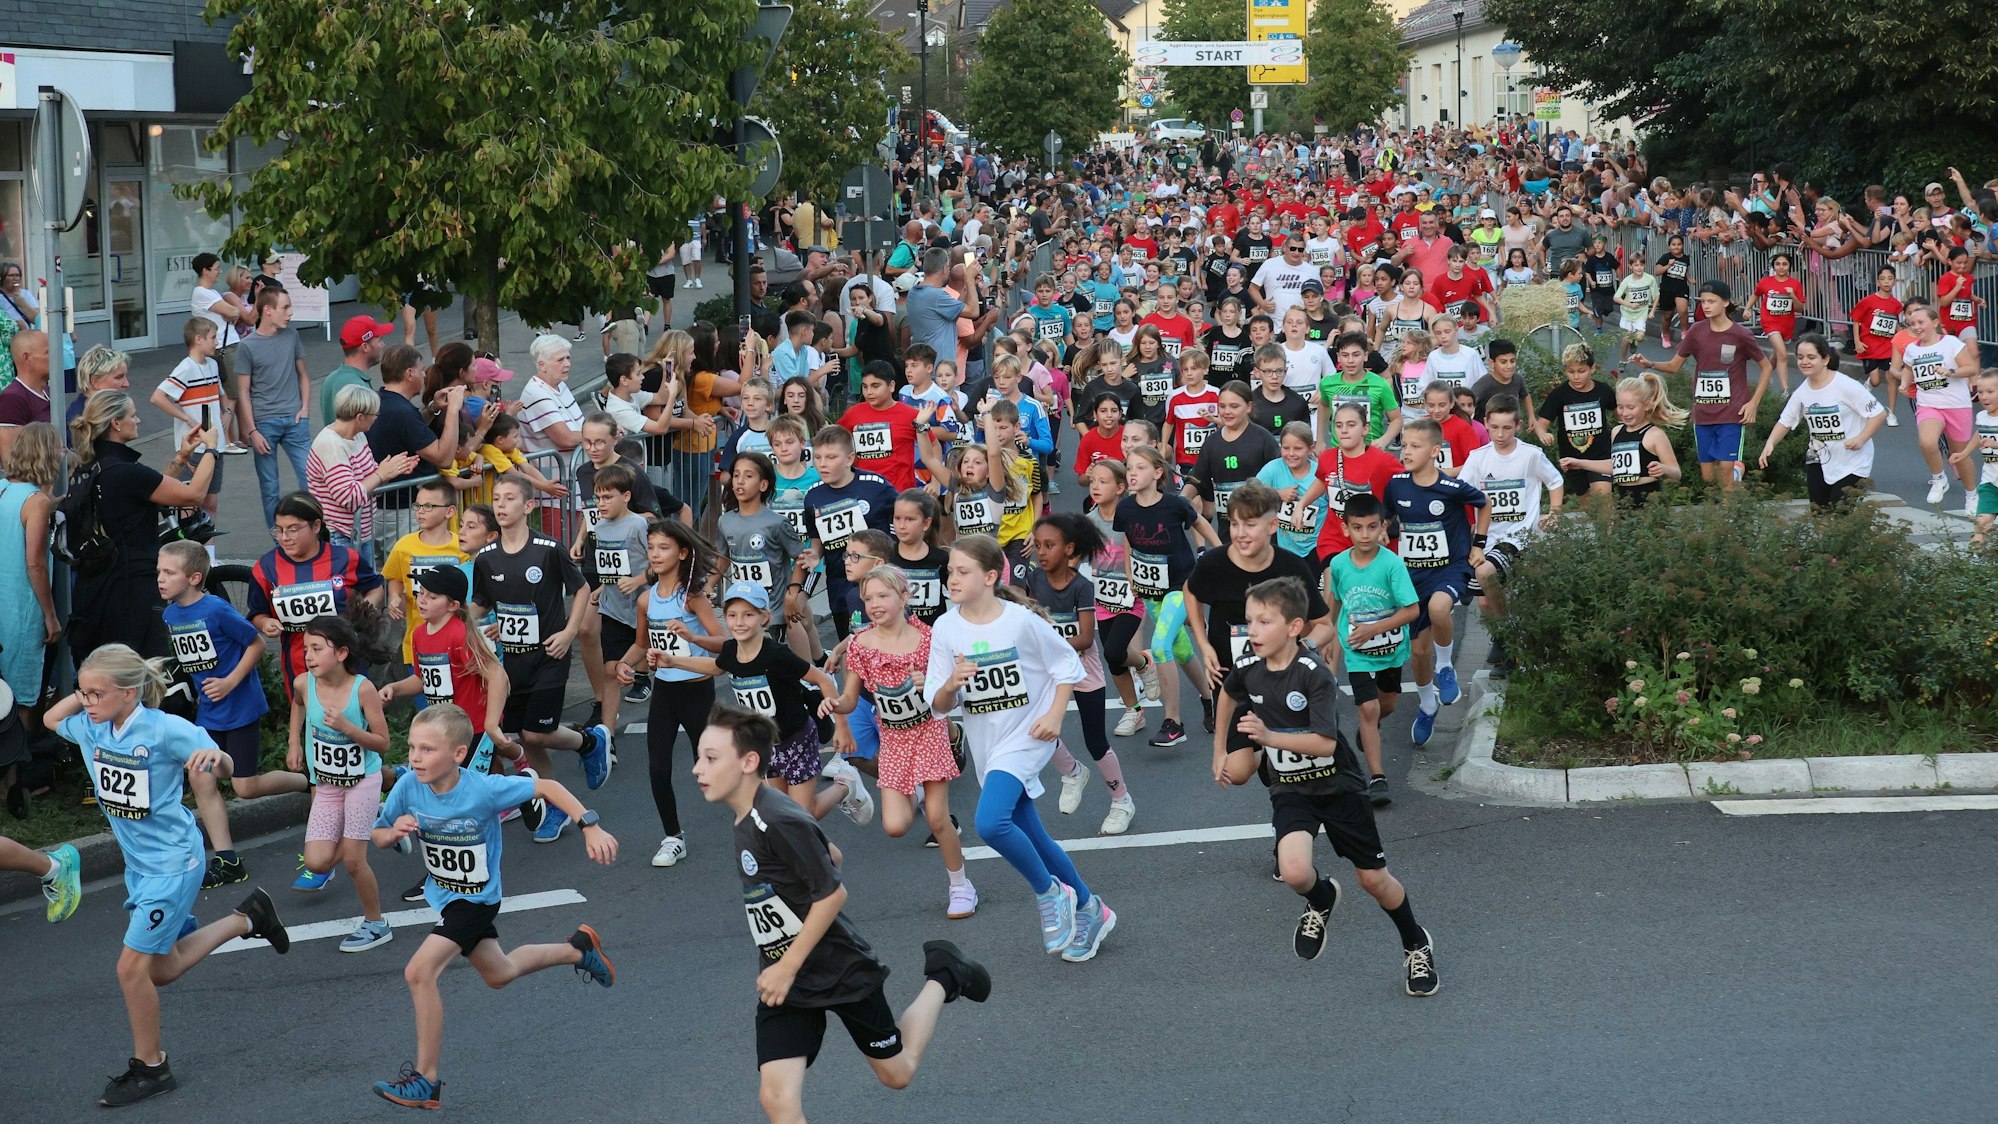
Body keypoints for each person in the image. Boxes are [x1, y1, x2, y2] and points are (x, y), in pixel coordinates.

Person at [689, 706, 990, 1124]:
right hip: (787, 983)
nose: (696, 768)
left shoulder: (775, 817)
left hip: (837, 969)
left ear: (749, 762)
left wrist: (787, 964)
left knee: (896, 1073)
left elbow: (833, 894)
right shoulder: (753, 814)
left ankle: (945, 975)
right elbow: (832, 854)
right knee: (777, 1099)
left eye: (710, 757)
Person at [46, 644, 292, 1107]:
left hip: (175, 863)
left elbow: (227, 764)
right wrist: (86, 692)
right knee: (160, 971)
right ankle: (248, 918)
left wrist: (211, 761)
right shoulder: (91, 727)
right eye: (84, 693)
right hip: (139, 865)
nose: (87, 701)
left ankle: (152, 1068)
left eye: (98, 694)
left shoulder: (164, 729)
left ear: (130, 693)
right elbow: (48, 720)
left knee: (130, 969)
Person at [370, 703, 617, 1111]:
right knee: (500, 973)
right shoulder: (408, 787)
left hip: (477, 900)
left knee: (418, 972)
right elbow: (378, 833)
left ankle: (426, 1080)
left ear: (458, 754)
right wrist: (392, 832)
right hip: (446, 897)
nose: (415, 757)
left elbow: (548, 789)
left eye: (428, 750)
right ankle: (580, 949)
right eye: (412, 748)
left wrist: (590, 825)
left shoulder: (483, 789)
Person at [1210, 577, 1437, 996]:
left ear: (1295, 627)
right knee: (1294, 871)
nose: (1253, 631)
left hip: (1338, 788)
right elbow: (1227, 693)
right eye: (1249, 622)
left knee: (1373, 880)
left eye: (1263, 622)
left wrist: (1269, 737)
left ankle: (1415, 942)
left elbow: (1325, 743)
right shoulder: (1248, 666)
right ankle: (1320, 897)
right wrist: (1220, 750)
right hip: (1292, 789)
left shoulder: (1313, 675)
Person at [928, 535, 1118, 962]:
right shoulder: (945, 627)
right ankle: (1092, 908)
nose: (952, 578)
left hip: (1027, 737)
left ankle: (1050, 893)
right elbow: (936, 703)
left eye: (962, 571)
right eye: (950, 571)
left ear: (990, 576)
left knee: (991, 823)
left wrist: (1054, 716)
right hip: (987, 743)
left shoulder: (1018, 621)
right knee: (1032, 833)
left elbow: (1067, 665)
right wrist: (950, 685)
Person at [469, 475, 613, 842]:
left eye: (510, 499)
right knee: (528, 740)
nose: (501, 505)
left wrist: (568, 633)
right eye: (496, 499)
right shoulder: (486, 557)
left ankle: (589, 742)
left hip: (550, 653)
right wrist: (457, 618)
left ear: (528, 506)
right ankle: (555, 807)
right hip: (513, 661)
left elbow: (580, 590)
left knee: (537, 731)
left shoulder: (548, 549)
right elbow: (483, 602)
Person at [821, 567, 976, 896]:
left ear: (904, 597)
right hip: (893, 740)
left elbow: (950, 697)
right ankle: (914, 792)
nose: (874, 604)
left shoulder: (929, 640)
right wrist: (835, 706)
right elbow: (850, 697)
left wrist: (932, 684)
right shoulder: (861, 644)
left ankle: (960, 885)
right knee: (895, 826)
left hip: (929, 732)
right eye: (868, 598)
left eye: (883, 596)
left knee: (936, 818)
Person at [158, 541, 300, 889]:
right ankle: (227, 858)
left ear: (194, 577)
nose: (160, 579)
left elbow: (253, 643)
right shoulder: (170, 615)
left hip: (240, 707)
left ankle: (313, 783)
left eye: (169, 573)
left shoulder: (217, 609)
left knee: (245, 787)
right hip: (208, 713)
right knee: (200, 776)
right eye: (159, 571)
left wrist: (230, 681)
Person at [70, 394, 217, 662]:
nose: (138, 420)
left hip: (95, 589)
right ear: (116, 422)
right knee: (146, 672)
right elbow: (194, 494)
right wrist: (212, 450)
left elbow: (151, 491)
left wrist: (182, 457)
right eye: (133, 415)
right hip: (133, 592)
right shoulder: (126, 472)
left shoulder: (92, 466)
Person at [614, 518, 721, 867]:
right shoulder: (646, 600)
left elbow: (724, 644)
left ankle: (761, 813)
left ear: (683, 552)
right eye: (652, 548)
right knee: (658, 768)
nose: (656, 555)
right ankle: (673, 837)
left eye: (664, 548)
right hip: (664, 694)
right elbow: (641, 645)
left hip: (697, 693)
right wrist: (624, 665)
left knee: (709, 770)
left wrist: (693, 639)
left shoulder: (692, 599)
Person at [286, 614, 396, 950]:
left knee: (352, 859)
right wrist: (293, 742)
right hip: (328, 784)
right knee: (317, 863)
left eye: (317, 649)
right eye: (306, 649)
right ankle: (380, 817)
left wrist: (349, 728)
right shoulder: (305, 683)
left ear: (342, 653)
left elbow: (383, 742)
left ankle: (376, 923)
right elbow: (298, 704)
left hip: (362, 779)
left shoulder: (362, 689)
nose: (308, 656)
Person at [1028, 514, 1137, 836]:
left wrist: (1046, 642)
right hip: (1048, 671)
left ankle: (1121, 800)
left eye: (1050, 546)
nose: (1042, 552)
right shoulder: (1033, 581)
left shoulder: (1081, 587)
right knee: (1036, 728)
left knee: (1095, 741)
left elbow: (1086, 639)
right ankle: (1072, 772)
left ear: (1069, 548)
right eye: (1037, 546)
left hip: (1082, 670)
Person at [1385, 419, 1487, 748]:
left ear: (1434, 452)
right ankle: (1427, 704)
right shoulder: (1396, 485)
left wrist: (1478, 544)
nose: (1406, 451)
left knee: (1440, 607)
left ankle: (1445, 667)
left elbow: (1483, 503)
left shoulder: (1452, 488)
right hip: (1413, 575)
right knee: (1417, 652)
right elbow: (1385, 520)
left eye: (1415, 446)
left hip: (1451, 568)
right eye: (1404, 445)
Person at [1457, 397, 1564, 675]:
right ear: (1485, 425)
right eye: (1495, 428)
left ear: (1518, 425)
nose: (1501, 435)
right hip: (1487, 539)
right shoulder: (1478, 458)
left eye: (1507, 428)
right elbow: (1460, 493)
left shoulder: (1530, 455)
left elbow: (1555, 481)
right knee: (1483, 600)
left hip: (1520, 538)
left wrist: (1554, 513)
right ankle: (1507, 649)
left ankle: (1505, 640)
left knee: (1485, 574)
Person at [1323, 495, 1420, 799]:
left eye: (1371, 527)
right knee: (1367, 706)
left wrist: (1375, 629)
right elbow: (1335, 601)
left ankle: (1370, 727)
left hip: (1390, 647)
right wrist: (1327, 633)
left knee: (1385, 705)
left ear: (1382, 527)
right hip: (1357, 651)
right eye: (1357, 528)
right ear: (1345, 529)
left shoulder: (1391, 564)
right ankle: (1377, 777)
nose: (1365, 535)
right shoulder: (1338, 564)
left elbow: (1412, 610)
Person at [1633, 280, 1769, 492]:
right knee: (1708, 477)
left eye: (1711, 301)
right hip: (1704, 413)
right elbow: (1674, 365)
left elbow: (1767, 367)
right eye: (1702, 301)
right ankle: (1735, 474)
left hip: (1732, 412)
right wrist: (1649, 363)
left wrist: (1753, 403)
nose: (1705, 306)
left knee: (1724, 468)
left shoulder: (1740, 335)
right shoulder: (1696, 331)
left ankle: (1728, 516)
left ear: (1725, 303)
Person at [308, 384, 421, 565]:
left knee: (366, 588)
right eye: (374, 414)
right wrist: (382, 474)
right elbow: (349, 497)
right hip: (341, 535)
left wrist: (392, 470)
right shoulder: (331, 445)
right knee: (351, 591)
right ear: (359, 417)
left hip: (360, 530)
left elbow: (369, 479)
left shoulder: (358, 436)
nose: (377, 418)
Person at [237, 288, 314, 527]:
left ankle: (312, 534)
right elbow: (242, 392)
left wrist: (305, 409)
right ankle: (279, 539)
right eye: (285, 307)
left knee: (311, 480)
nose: (290, 313)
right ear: (267, 310)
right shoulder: (247, 346)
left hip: (295, 421)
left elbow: (303, 375)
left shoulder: (291, 336)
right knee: (270, 488)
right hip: (264, 425)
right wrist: (252, 431)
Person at [0, 424, 60, 733]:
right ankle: (14, 775)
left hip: (1, 602)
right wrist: (50, 615)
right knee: (22, 698)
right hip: (23, 608)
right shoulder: (35, 502)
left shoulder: (3, 489)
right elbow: (35, 564)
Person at [1896, 304, 1981, 513]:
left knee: (1959, 454)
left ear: (1934, 323)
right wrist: (1905, 383)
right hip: (1929, 404)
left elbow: (1970, 368)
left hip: (1956, 404)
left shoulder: (1950, 343)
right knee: (1927, 442)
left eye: (1920, 322)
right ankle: (1938, 478)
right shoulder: (1912, 349)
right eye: (1912, 323)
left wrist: (1950, 371)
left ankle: (1971, 495)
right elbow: (1908, 368)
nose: (1916, 327)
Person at [1562, 373, 1686, 508]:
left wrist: (1664, 469)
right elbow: (1614, 466)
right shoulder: (1616, 432)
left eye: (1631, 407)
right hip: (1624, 502)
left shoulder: (1655, 435)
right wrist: (1580, 463)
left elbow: (1676, 473)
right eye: (1620, 407)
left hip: (1651, 503)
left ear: (1647, 405)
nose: (1625, 413)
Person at [150, 318, 229, 516]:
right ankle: (189, 545)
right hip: (194, 446)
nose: (216, 342)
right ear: (198, 339)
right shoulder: (185, 368)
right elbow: (157, 397)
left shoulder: (212, 364)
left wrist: (225, 412)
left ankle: (208, 547)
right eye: (213, 338)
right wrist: (185, 418)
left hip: (214, 443)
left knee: (211, 501)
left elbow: (221, 392)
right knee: (190, 501)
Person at [1534, 343, 1620, 501]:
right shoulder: (1559, 394)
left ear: (1592, 368)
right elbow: (1541, 423)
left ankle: (1610, 525)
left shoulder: (1603, 390)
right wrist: (1543, 434)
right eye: (1570, 371)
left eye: (1581, 371)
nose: (1576, 377)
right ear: (1564, 370)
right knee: (1591, 510)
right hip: (1573, 461)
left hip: (1601, 457)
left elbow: (1620, 415)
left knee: (1603, 505)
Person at [318, 314, 394, 425]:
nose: (383, 345)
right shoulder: (359, 388)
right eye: (379, 340)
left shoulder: (331, 379)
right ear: (365, 347)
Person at [1955, 370, 1998, 548]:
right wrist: (1964, 453)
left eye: (1990, 392)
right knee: (1981, 523)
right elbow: (1980, 434)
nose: (1984, 397)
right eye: (1980, 392)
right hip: (1990, 481)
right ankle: (1973, 562)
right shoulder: (1981, 416)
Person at [0, 328, 51, 460]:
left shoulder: (49, 391)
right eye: (48, 352)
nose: (56, 357)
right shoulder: (13, 399)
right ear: (26, 358)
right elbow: (11, 460)